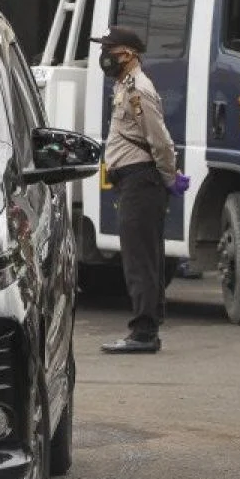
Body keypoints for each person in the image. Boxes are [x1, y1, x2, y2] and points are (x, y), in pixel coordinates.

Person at [93, 26, 188, 355]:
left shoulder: (137, 90)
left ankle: (144, 332)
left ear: (129, 54)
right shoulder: (124, 85)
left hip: (141, 180)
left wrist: (169, 176)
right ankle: (147, 327)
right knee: (145, 255)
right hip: (136, 180)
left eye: (110, 51)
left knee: (140, 258)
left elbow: (159, 139)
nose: (104, 57)